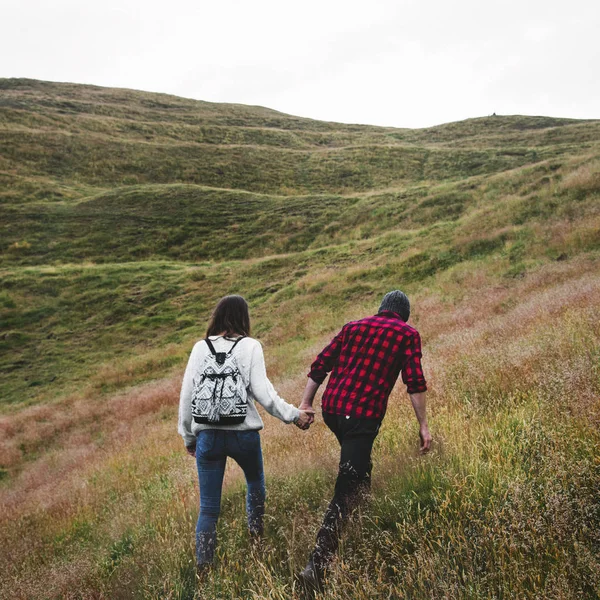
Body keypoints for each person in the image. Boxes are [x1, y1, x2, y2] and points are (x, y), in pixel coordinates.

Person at [296, 290, 432, 593]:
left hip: (333, 410)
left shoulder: (353, 326)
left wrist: (306, 403)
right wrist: (423, 426)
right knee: (346, 487)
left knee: (358, 470)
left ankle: (365, 513)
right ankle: (316, 568)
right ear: (404, 315)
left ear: (381, 309)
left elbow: (320, 365)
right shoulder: (407, 334)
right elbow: (415, 382)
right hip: (360, 417)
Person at [178, 295, 314, 573]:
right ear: (243, 317)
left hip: (208, 438)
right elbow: (263, 393)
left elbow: (187, 397)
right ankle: (256, 540)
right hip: (244, 435)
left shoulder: (199, 348)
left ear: (217, 317)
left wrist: (189, 437)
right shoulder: (250, 346)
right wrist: (294, 416)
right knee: (255, 484)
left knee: (208, 509)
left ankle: (204, 569)